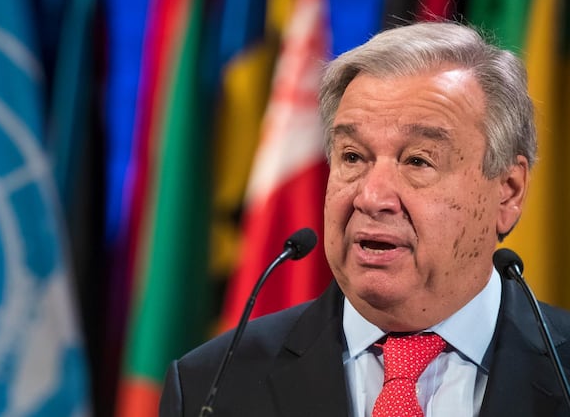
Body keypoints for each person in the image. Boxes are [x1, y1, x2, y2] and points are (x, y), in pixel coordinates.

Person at [159, 21, 570, 417]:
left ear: (508, 191)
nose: (371, 197)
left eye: (417, 161)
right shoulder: (212, 385)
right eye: (353, 157)